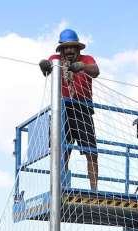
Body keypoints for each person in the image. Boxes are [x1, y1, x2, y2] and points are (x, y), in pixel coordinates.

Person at [39, 29, 101, 190]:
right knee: (62, 150)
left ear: (78, 48)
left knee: (91, 150)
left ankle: (94, 189)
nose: (69, 51)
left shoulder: (87, 59)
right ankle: (61, 186)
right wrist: (43, 64)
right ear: (61, 49)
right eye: (65, 47)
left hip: (83, 108)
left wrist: (82, 66)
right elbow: (46, 66)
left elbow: (96, 71)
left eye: (72, 47)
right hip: (62, 109)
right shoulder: (56, 59)